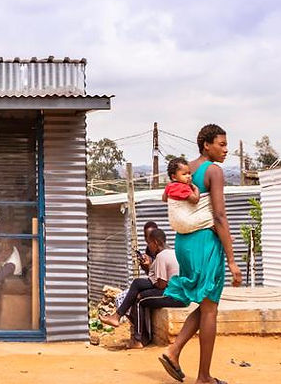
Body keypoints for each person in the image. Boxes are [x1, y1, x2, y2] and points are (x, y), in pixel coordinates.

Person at [158, 124, 242, 384]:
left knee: (207, 305)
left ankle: (174, 351)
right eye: (221, 144)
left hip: (184, 242)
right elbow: (219, 216)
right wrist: (231, 259)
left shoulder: (186, 170)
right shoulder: (213, 171)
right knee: (210, 309)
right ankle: (203, 376)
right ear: (207, 145)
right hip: (204, 241)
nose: (226, 150)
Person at [101, 228, 182, 348]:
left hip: (174, 295)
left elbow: (161, 285)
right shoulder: (173, 252)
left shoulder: (161, 256)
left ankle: (137, 339)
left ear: (155, 243)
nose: (148, 247)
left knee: (140, 299)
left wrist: (147, 288)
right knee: (137, 283)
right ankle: (117, 317)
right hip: (176, 291)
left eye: (149, 243)